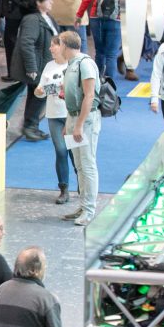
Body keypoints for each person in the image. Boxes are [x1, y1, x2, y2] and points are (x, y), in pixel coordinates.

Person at [59, 31, 101, 226]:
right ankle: (83, 205)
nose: (57, 48)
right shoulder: (71, 65)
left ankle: (89, 209)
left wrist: (80, 124)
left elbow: (89, 96)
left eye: (59, 44)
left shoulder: (85, 64)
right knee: (79, 165)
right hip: (73, 117)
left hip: (86, 120)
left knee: (87, 163)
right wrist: (70, 123)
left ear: (65, 46)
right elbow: (72, 97)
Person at [10, 0, 57, 141]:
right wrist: (31, 68)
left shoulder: (48, 18)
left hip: (45, 65)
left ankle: (32, 126)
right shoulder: (32, 19)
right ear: (38, 2)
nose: (51, 2)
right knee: (40, 94)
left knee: (37, 95)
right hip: (38, 66)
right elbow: (26, 44)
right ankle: (30, 126)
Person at [33, 36, 75, 204]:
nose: (51, 48)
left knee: (75, 152)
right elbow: (39, 91)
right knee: (60, 150)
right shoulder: (49, 66)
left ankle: (83, 186)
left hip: (71, 115)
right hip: (53, 114)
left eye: (54, 46)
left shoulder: (72, 65)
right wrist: (42, 90)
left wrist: (54, 88)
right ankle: (64, 188)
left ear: (62, 47)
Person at [75, 0, 124, 85]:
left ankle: (96, 84)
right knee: (112, 54)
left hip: (97, 16)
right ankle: (110, 87)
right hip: (117, 18)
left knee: (100, 52)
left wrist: (79, 15)